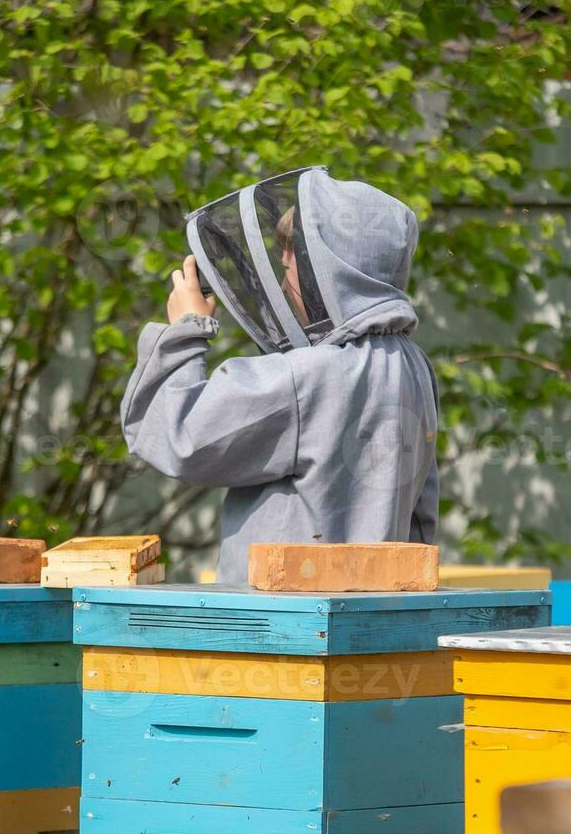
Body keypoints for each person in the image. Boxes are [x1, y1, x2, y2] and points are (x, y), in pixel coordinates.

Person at [121, 166, 440, 584]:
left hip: (281, 624)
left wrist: (185, 330)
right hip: (368, 613)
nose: (283, 263)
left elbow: (179, 435)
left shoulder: (310, 376)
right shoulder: (412, 366)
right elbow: (422, 513)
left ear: (331, 264)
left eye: (293, 250)